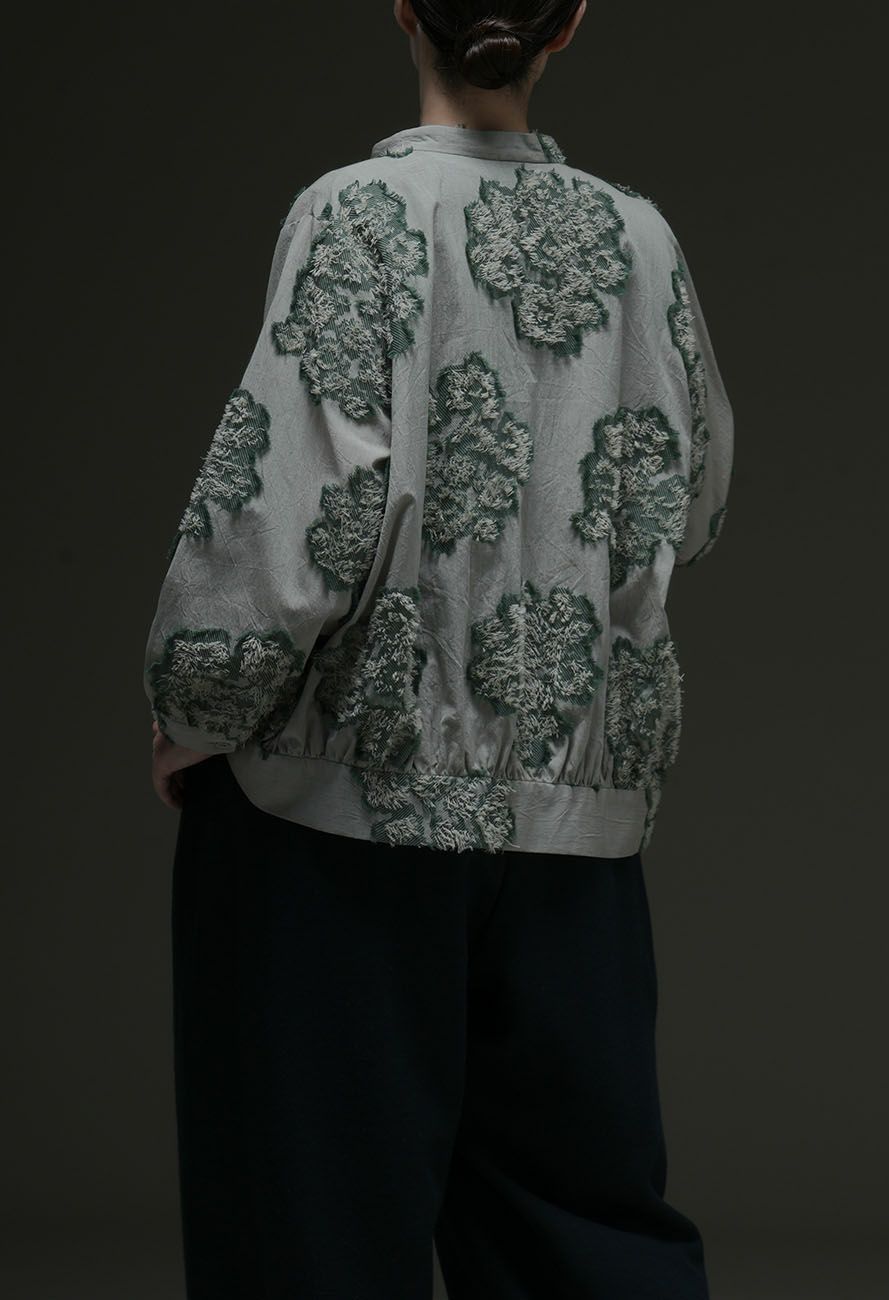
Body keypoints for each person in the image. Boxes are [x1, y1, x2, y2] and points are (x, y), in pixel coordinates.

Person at [142, 1, 734, 1295]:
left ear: (403, 9)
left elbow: (291, 507)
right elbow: (691, 503)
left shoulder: (356, 212)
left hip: (337, 817)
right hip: (569, 821)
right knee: (582, 1235)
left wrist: (201, 708)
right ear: (570, 24)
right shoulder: (640, 236)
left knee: (312, 1239)